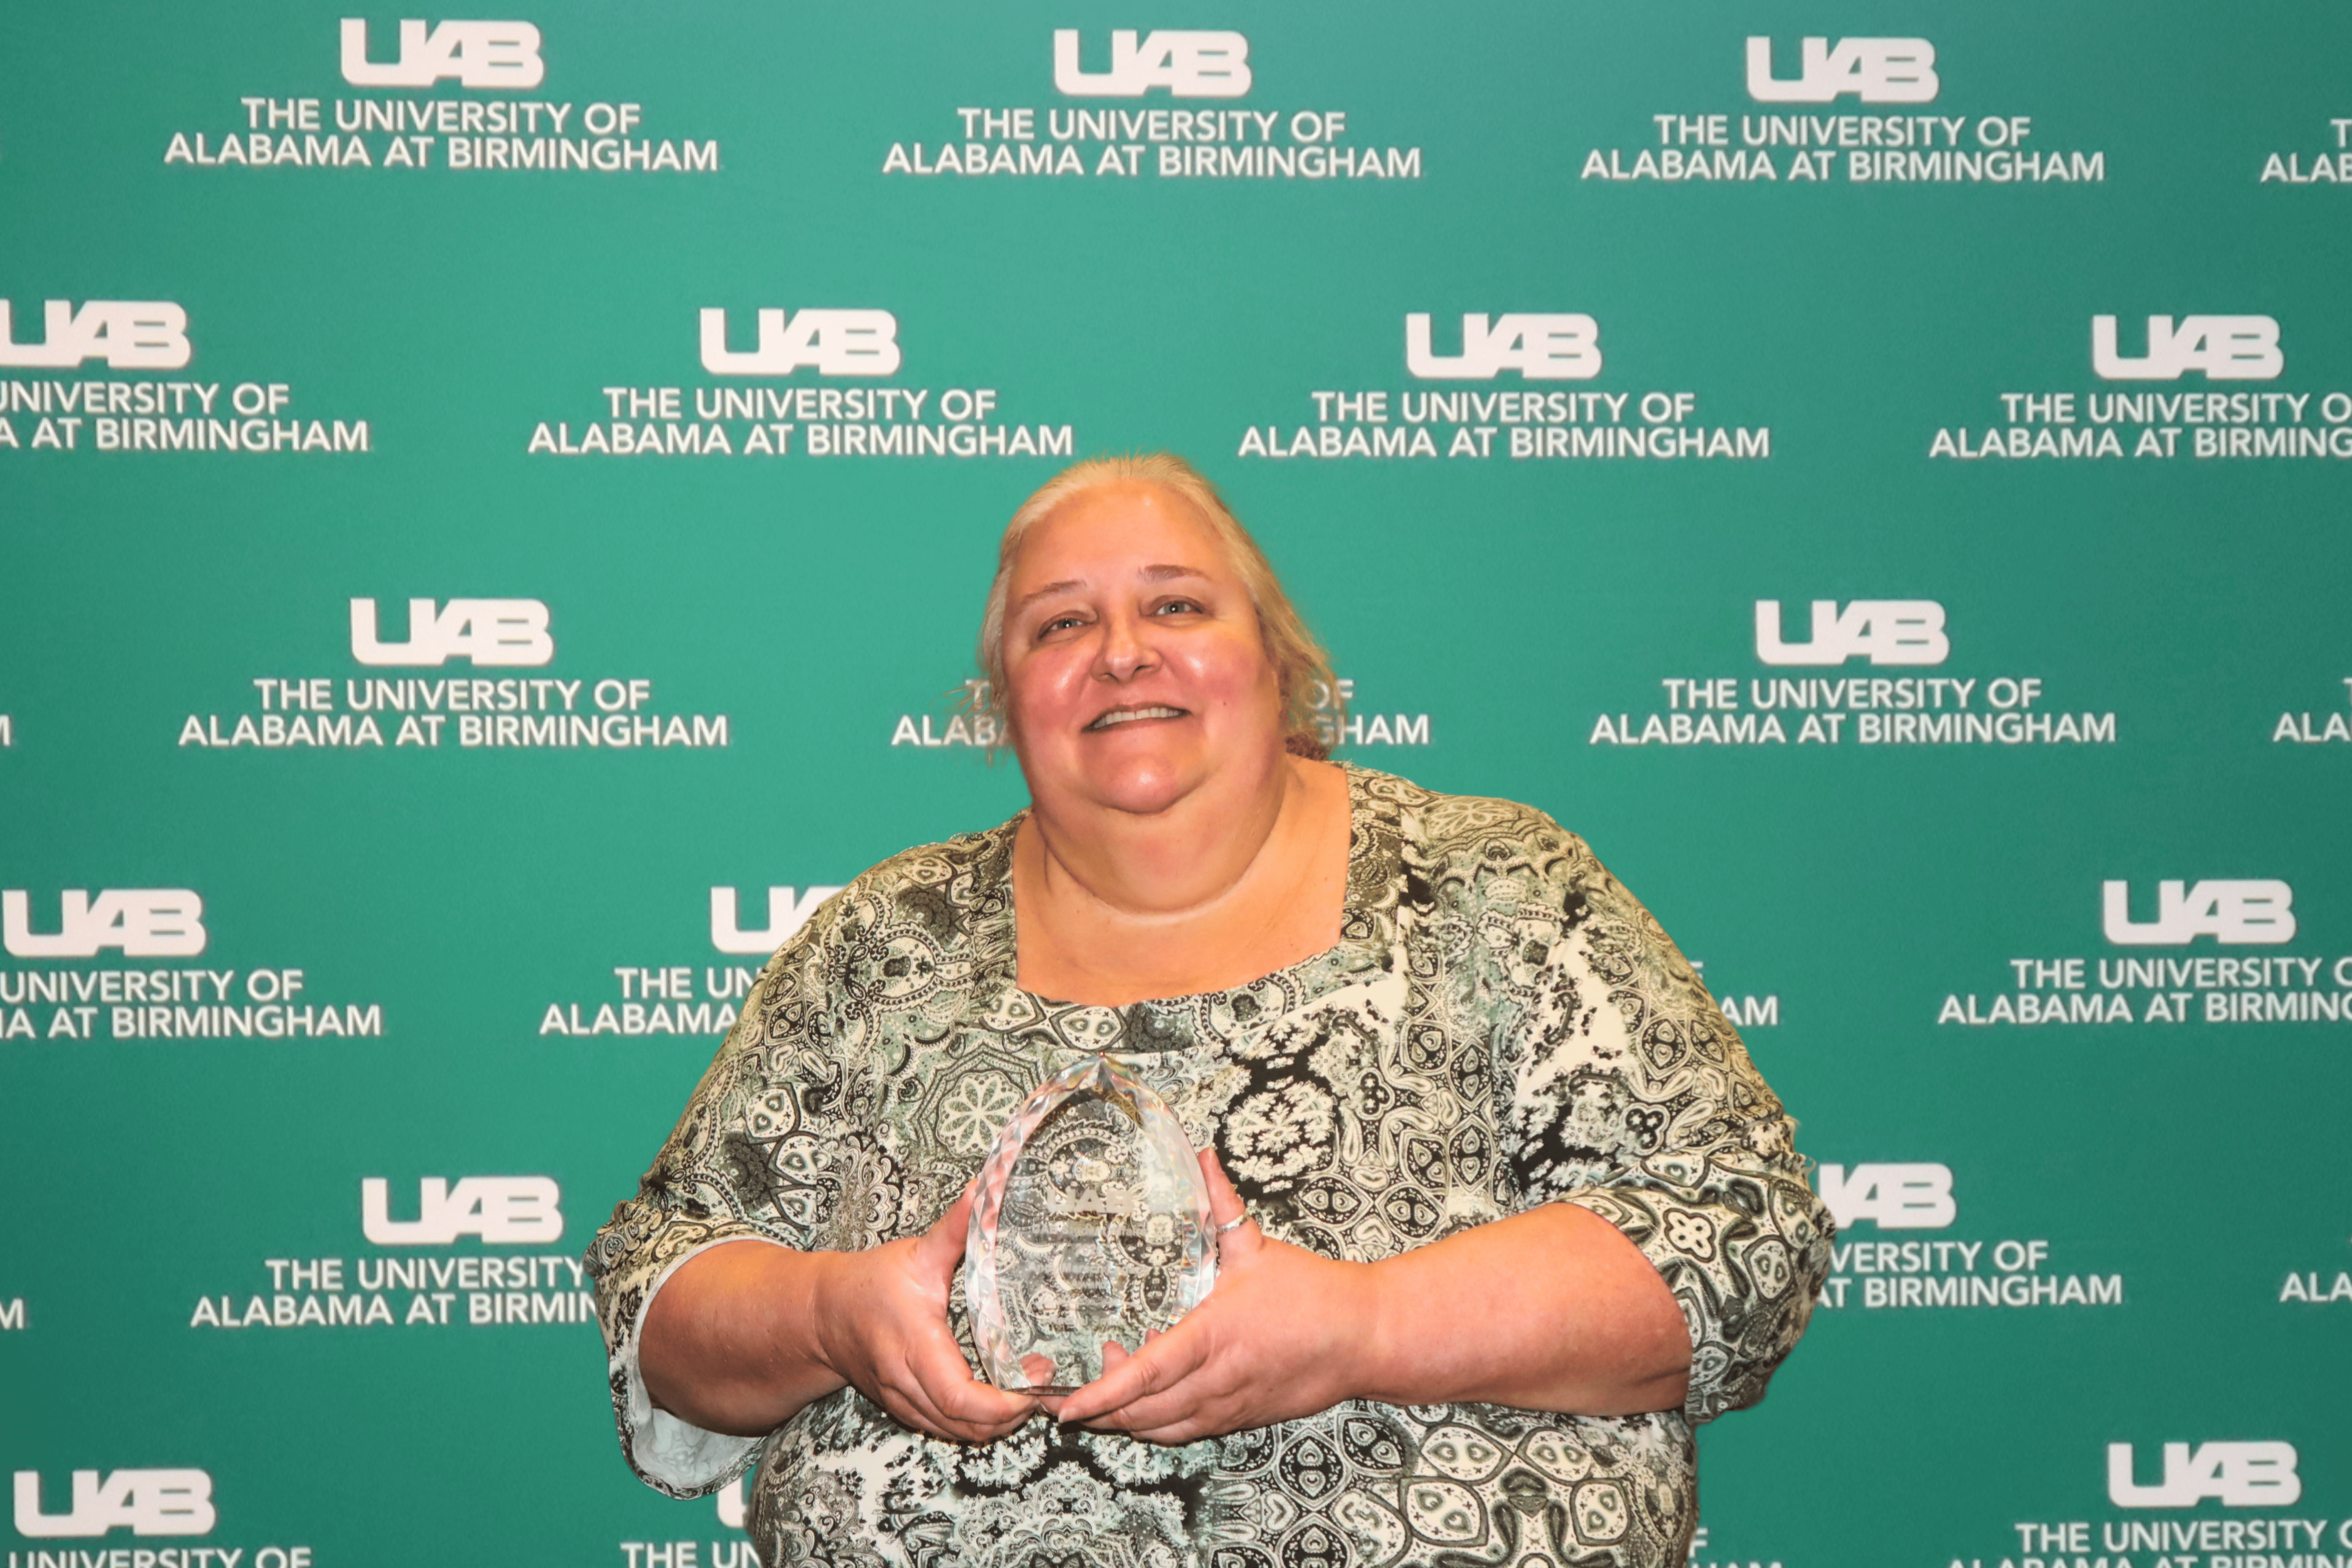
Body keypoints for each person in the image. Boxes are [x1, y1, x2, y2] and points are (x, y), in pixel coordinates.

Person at [587, 452, 1833, 1568]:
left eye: (1175, 605)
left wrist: (1366, 1327)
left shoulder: (1495, 892)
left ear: (1280, 660)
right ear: (1004, 701)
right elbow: (662, 1299)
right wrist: (827, 1316)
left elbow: (1740, 1237)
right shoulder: (881, 945)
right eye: (1059, 624)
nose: (1121, 651)